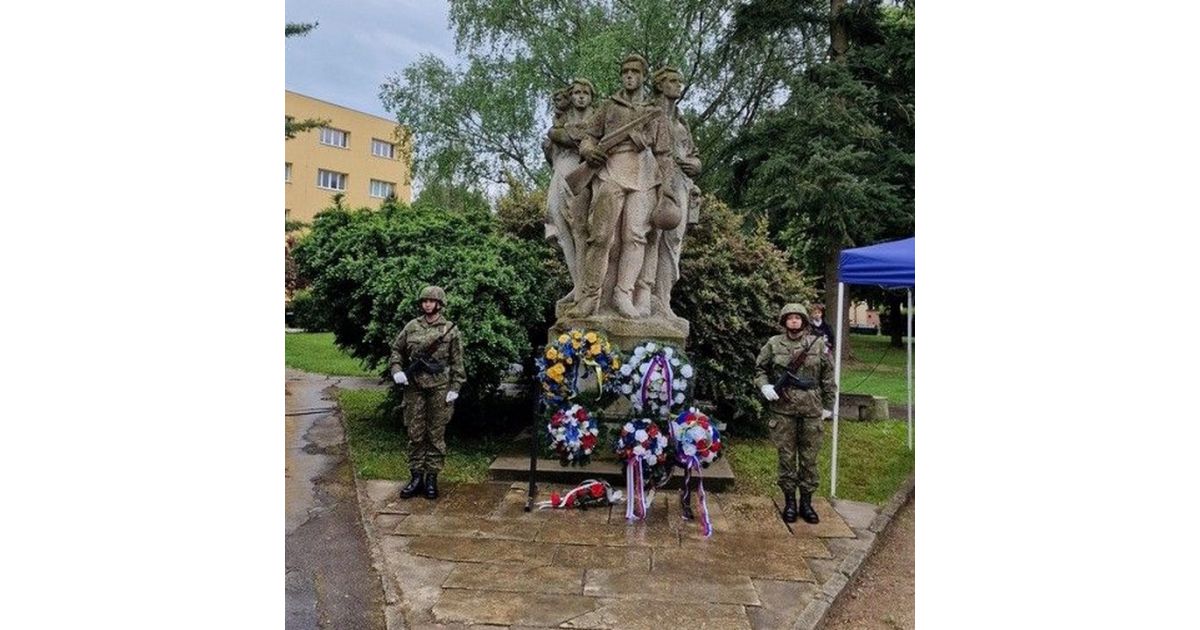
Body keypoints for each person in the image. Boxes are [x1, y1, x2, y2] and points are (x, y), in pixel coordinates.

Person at [568, 53, 672, 319]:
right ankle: (590, 297)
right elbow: (589, 137)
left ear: (643, 76)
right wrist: (590, 152)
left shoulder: (654, 111)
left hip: (644, 176)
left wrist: (666, 191)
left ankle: (623, 293)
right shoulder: (608, 106)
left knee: (636, 236)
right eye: (625, 71)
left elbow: (663, 153)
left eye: (635, 72)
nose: (629, 76)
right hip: (611, 170)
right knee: (602, 236)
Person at [754, 303, 837, 524]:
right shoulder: (773, 344)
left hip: (811, 408)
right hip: (783, 409)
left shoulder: (818, 345)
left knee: (809, 458)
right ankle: (790, 502)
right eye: (789, 318)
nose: (793, 321)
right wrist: (765, 386)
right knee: (786, 457)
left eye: (797, 318)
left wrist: (829, 406)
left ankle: (806, 503)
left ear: (804, 321)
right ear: (784, 322)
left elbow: (828, 377)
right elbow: (760, 369)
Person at [388, 285, 465, 500]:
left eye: (431, 301)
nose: (427, 304)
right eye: (424, 301)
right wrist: (397, 371)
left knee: (436, 434)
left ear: (439, 304)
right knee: (415, 432)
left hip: (439, 388)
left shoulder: (449, 329)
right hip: (414, 387)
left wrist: (455, 388)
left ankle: (431, 478)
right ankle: (415, 477)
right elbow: (396, 350)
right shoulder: (412, 326)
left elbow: (457, 361)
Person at [648, 65, 702, 318]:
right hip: (651, 179)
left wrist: (695, 165)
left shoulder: (681, 122)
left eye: (679, 82)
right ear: (659, 85)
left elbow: (693, 155)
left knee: (673, 241)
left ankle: (663, 300)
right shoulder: (648, 114)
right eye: (671, 81)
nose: (677, 86)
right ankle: (643, 298)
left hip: (680, 182)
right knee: (648, 238)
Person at [544, 78, 597, 303]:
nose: (581, 96)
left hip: (583, 175)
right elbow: (554, 140)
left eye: (586, 92)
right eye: (576, 92)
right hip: (561, 174)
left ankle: (588, 287)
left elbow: (579, 139)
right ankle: (577, 285)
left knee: (582, 230)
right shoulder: (562, 119)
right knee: (563, 229)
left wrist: (566, 134)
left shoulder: (597, 119)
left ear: (591, 97)